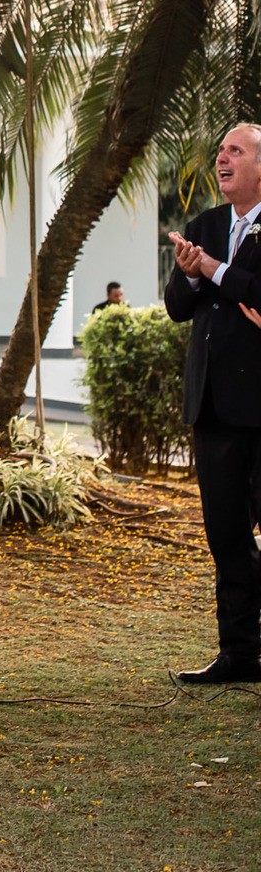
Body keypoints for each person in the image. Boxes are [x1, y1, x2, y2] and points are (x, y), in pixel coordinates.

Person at [165, 123, 261, 686]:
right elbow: (178, 306)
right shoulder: (203, 226)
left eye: (235, 150)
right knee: (226, 536)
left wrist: (215, 270)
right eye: (220, 150)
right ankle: (239, 654)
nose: (221, 158)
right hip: (213, 407)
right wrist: (191, 276)